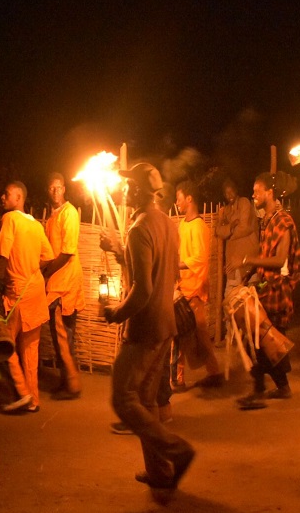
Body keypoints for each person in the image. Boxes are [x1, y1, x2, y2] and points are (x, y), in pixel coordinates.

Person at [100, 162, 195, 494]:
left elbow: (142, 288)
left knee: (123, 399)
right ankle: (159, 471)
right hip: (166, 322)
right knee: (146, 399)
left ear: (139, 189)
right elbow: (156, 271)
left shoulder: (139, 228)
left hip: (146, 326)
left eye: (128, 185)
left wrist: (117, 312)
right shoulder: (167, 223)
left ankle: (176, 450)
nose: (124, 189)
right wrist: (119, 251)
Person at [237, 171, 300, 409]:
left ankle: (259, 392)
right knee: (267, 342)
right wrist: (250, 273)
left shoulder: (283, 221)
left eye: (257, 191)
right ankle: (282, 388)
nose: (253, 194)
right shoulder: (268, 220)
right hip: (267, 285)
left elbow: (279, 259)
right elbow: (267, 256)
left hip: (278, 290)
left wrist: (250, 261)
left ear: (270, 193)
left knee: (261, 341)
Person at [0, 181, 53, 413]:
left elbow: (0, 255)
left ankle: (22, 392)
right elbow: (48, 256)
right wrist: (31, 268)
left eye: (6, 194)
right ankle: (33, 400)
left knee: (4, 343)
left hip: (17, 292)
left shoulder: (10, 219)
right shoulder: (36, 225)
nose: (2, 197)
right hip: (35, 290)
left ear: (19, 198)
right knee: (30, 349)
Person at [174, 179, 223, 389]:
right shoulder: (183, 224)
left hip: (194, 289)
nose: (177, 203)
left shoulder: (200, 227)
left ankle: (213, 373)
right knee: (181, 335)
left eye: (179, 198)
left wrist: (176, 265)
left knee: (198, 335)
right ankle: (180, 378)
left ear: (189, 199)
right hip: (182, 287)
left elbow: (199, 259)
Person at [42, 173, 84, 401]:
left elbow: (67, 252)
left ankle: (72, 385)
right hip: (57, 283)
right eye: (51, 188)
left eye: (58, 187)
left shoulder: (69, 213)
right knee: (62, 336)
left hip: (64, 284)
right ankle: (67, 380)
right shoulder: (53, 217)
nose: (55, 191)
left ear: (65, 189)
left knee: (62, 335)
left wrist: (47, 271)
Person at [216, 179, 259, 297]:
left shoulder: (244, 202)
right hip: (233, 264)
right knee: (230, 300)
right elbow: (218, 231)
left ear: (236, 190)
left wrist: (228, 233)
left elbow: (245, 228)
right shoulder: (226, 210)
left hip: (247, 262)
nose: (229, 195)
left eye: (231, 191)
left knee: (249, 300)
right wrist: (231, 226)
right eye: (226, 193)